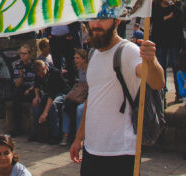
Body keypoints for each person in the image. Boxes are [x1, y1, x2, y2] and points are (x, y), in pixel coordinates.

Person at [70, 18, 165, 176]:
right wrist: (79, 137)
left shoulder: (128, 50)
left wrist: (152, 60)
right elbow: (92, 99)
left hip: (121, 153)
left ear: (117, 20)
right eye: (93, 19)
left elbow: (157, 82)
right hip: (91, 150)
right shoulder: (93, 54)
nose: (96, 24)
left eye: (103, 18)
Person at [151, 0, 184, 103]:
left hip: (174, 40)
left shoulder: (175, 2)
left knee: (176, 66)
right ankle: (161, 95)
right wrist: (167, 17)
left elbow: (179, 14)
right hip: (160, 40)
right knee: (161, 67)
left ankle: (178, 94)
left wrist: (169, 2)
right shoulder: (154, 3)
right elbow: (155, 20)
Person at [32, 59, 70, 144]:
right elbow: (36, 85)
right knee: (36, 104)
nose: (41, 76)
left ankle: (55, 135)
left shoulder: (54, 73)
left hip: (61, 93)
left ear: (45, 67)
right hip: (48, 93)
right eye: (39, 75)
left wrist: (45, 113)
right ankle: (36, 132)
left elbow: (51, 96)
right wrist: (37, 97)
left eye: (42, 73)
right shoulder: (38, 73)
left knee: (53, 106)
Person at [60, 49, 88, 146]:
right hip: (79, 95)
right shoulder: (79, 69)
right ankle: (66, 134)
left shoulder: (89, 70)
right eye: (74, 58)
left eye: (78, 58)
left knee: (80, 110)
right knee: (65, 107)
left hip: (87, 96)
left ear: (84, 59)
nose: (75, 60)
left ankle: (78, 136)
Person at [9, 44, 36, 137]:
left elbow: (38, 82)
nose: (22, 56)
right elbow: (17, 84)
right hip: (22, 87)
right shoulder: (18, 65)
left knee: (34, 100)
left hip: (33, 88)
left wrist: (30, 89)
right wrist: (21, 75)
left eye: (24, 53)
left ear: (30, 54)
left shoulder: (35, 64)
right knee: (15, 98)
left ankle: (34, 131)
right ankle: (16, 128)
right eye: (21, 54)